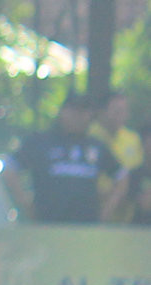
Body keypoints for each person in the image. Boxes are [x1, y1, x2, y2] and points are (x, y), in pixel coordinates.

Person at [9, 90, 124, 227]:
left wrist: (107, 211)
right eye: (73, 111)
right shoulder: (40, 141)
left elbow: (122, 176)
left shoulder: (96, 146)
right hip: (47, 226)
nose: (78, 116)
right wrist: (24, 204)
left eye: (83, 112)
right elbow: (10, 168)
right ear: (63, 112)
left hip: (86, 228)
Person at [94, 91, 142, 201]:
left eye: (124, 111)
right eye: (116, 111)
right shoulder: (89, 137)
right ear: (102, 111)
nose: (121, 115)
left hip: (126, 207)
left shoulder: (133, 139)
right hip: (92, 204)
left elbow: (136, 172)